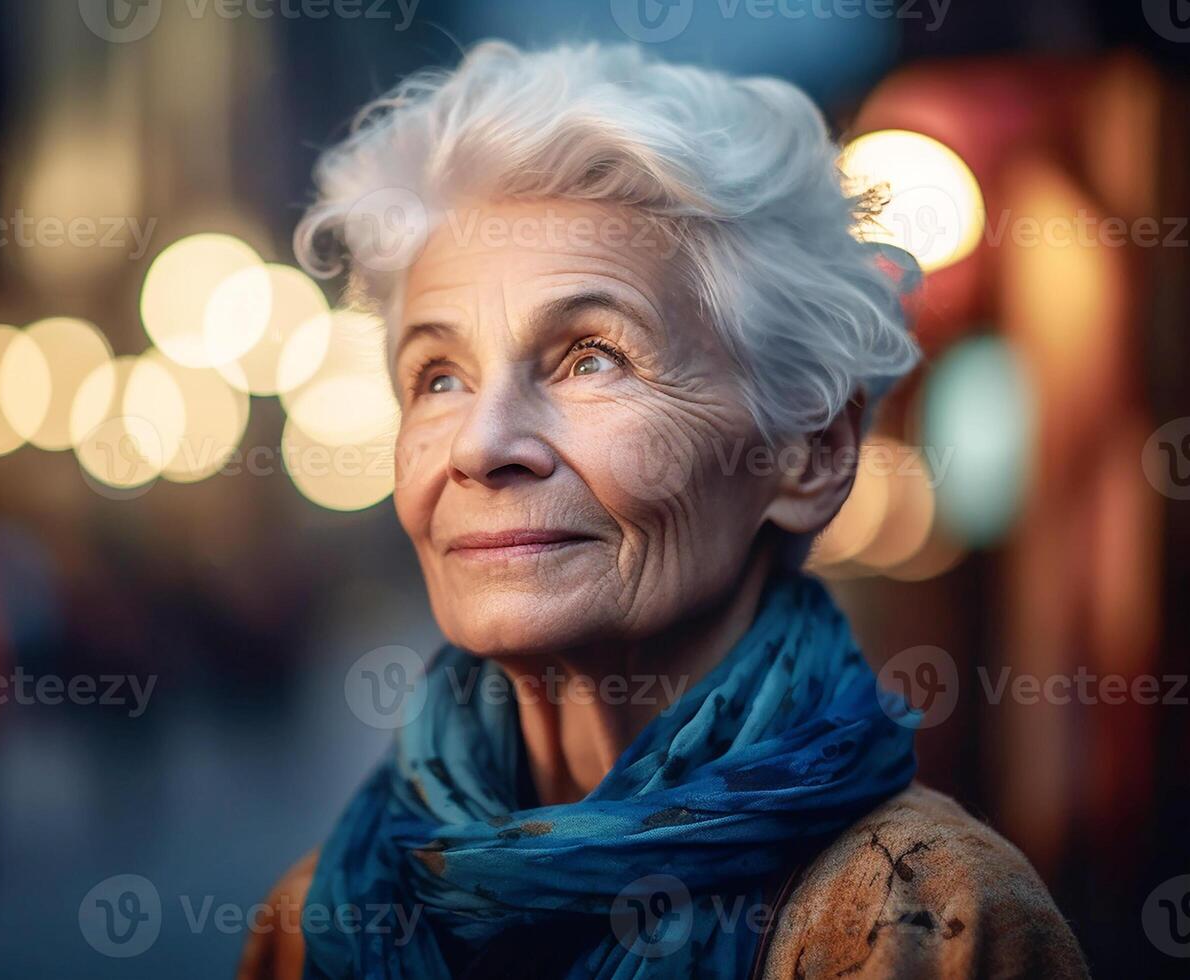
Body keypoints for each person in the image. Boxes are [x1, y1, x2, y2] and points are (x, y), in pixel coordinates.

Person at [242, 41, 1088, 979]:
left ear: (811, 454)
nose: (481, 446)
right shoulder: (315, 919)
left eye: (592, 357)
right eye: (438, 376)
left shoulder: (922, 919)